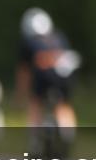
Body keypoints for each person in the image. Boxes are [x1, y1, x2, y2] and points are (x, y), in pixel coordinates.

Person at [16, 7, 77, 139]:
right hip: (65, 75)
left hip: (43, 76)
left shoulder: (29, 42)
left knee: (36, 102)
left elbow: (24, 72)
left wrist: (21, 95)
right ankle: (67, 131)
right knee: (63, 103)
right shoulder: (59, 37)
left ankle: (35, 137)